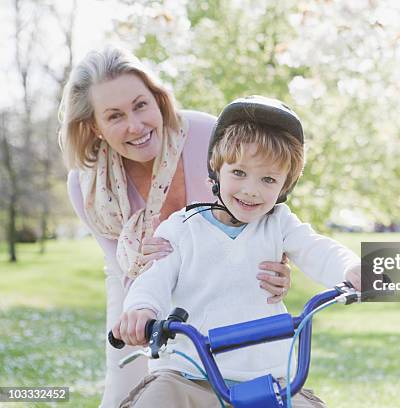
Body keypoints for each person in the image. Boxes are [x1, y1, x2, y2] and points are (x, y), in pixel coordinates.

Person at [58, 46, 293, 408]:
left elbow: (265, 206)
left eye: (140, 105)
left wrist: (280, 263)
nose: (135, 126)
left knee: (248, 387)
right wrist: (137, 315)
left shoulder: (206, 134)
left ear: (158, 99)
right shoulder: (86, 185)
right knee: (123, 394)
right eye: (115, 116)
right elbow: (117, 265)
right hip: (141, 284)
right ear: (95, 127)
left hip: (227, 287)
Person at [112, 96, 361, 407]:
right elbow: (154, 278)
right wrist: (142, 310)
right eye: (239, 173)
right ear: (217, 171)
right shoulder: (181, 227)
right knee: (156, 401)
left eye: (268, 179)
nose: (251, 189)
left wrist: (351, 268)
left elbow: (317, 249)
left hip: (267, 377)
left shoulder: (279, 224)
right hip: (187, 373)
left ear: (284, 187)